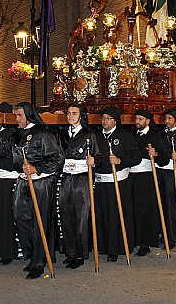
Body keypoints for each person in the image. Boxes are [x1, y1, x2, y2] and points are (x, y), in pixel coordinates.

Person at [10, 102, 63, 279]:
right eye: (15, 115)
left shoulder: (43, 134)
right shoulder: (18, 134)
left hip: (41, 183)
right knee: (20, 217)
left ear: (29, 115)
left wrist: (37, 168)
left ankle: (39, 262)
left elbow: (57, 158)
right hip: (23, 181)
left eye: (19, 116)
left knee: (40, 221)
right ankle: (32, 255)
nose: (16, 119)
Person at [94, 106, 140, 262]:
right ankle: (103, 246)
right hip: (100, 182)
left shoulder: (125, 136)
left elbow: (136, 157)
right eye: (103, 118)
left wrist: (120, 161)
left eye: (108, 118)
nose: (104, 121)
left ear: (115, 121)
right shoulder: (96, 137)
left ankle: (116, 248)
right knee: (102, 214)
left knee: (116, 215)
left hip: (118, 182)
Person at [58, 103, 101, 269]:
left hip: (82, 179)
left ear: (81, 115)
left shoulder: (89, 135)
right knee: (66, 214)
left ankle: (81, 253)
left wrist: (94, 161)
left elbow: (99, 156)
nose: (70, 116)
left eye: (74, 113)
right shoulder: (62, 134)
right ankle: (70, 252)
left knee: (81, 216)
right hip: (66, 178)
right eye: (68, 113)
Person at [148, 108, 176, 247]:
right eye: (165, 118)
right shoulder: (161, 134)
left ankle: (174, 236)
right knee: (161, 203)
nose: (166, 121)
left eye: (169, 119)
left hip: (173, 173)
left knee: (172, 204)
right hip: (159, 171)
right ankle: (164, 233)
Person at [0, 102, 20, 265]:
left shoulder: (13, 133)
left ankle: (9, 251)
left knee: (8, 217)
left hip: (10, 180)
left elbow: (13, 161)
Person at [131, 109, 166, 256]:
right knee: (133, 209)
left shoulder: (155, 136)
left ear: (148, 121)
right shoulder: (131, 135)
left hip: (146, 177)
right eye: (136, 118)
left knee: (145, 210)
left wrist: (156, 154)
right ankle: (133, 239)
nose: (137, 121)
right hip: (131, 176)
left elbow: (164, 158)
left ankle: (145, 243)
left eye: (140, 119)